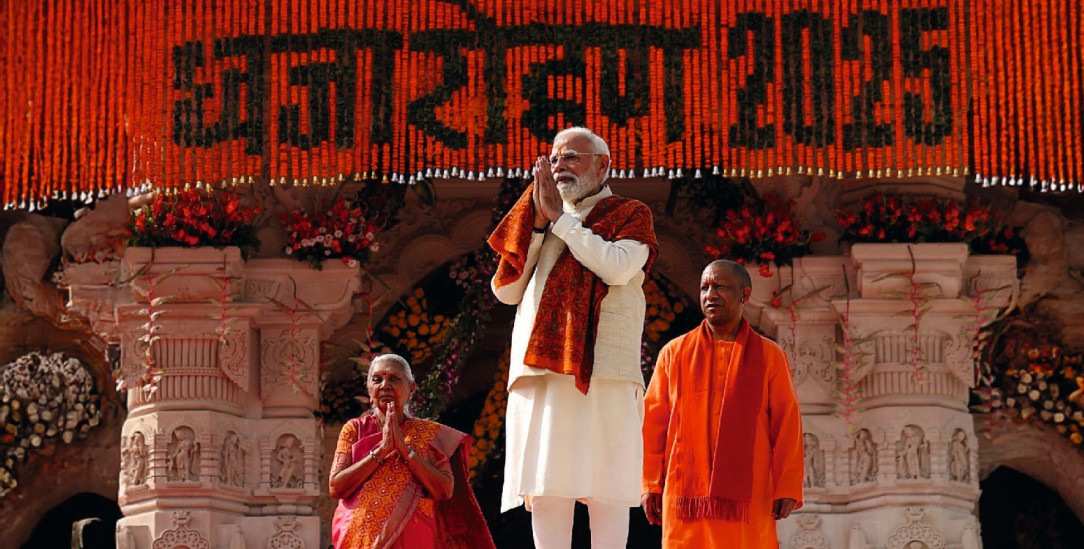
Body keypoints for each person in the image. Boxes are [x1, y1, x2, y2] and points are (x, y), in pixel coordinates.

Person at [487, 126, 658, 548]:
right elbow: (506, 291)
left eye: (572, 158)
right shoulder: (536, 215)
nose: (560, 166)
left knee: (609, 488)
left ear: (603, 165)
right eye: (555, 158)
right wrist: (541, 227)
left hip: (604, 372)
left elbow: (617, 268)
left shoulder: (631, 213)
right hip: (541, 373)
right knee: (547, 486)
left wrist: (562, 222)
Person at [641, 260, 804, 547]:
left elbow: (787, 424)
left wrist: (787, 485)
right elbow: (653, 425)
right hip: (685, 495)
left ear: (745, 295)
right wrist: (650, 484)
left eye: (721, 287)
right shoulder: (674, 353)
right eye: (705, 287)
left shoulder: (769, 356)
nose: (710, 294)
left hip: (749, 497)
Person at [328, 354, 494, 549]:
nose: (385, 385)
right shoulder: (354, 429)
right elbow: (336, 487)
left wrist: (405, 450)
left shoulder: (429, 434)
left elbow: (445, 489)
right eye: (377, 379)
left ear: (412, 388)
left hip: (414, 536)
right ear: (369, 390)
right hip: (359, 538)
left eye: (394, 378)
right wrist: (381, 451)